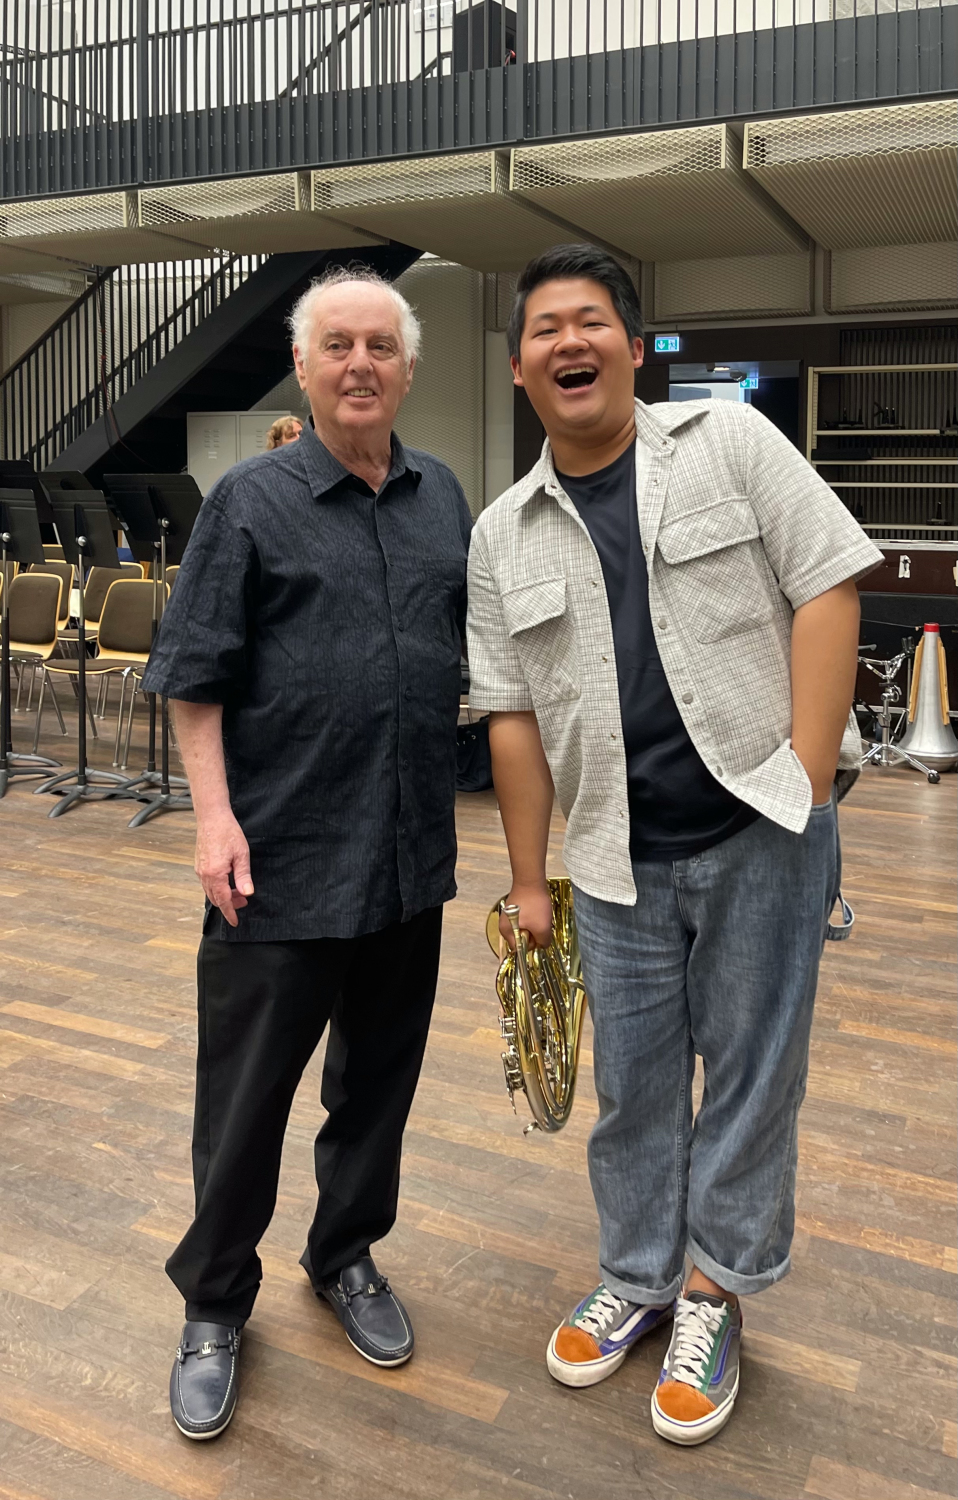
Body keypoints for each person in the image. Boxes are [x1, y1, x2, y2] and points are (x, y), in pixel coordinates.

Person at [466, 244, 881, 1447]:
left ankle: (713, 1290)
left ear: (634, 348)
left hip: (761, 834)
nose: (569, 341)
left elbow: (829, 582)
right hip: (611, 859)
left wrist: (806, 779)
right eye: (544, 328)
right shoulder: (501, 536)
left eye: (591, 321)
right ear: (518, 370)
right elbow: (510, 715)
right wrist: (527, 881)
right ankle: (638, 1272)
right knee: (633, 1089)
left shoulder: (729, 444)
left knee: (753, 1079)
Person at [142, 265, 473, 1441]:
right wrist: (213, 818)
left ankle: (344, 1256)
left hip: (407, 855)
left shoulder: (443, 498)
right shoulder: (249, 502)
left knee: (375, 1088)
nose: (359, 364)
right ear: (303, 366)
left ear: (407, 367)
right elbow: (192, 675)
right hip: (275, 859)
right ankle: (213, 1302)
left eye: (380, 345)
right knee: (244, 1104)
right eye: (338, 345)